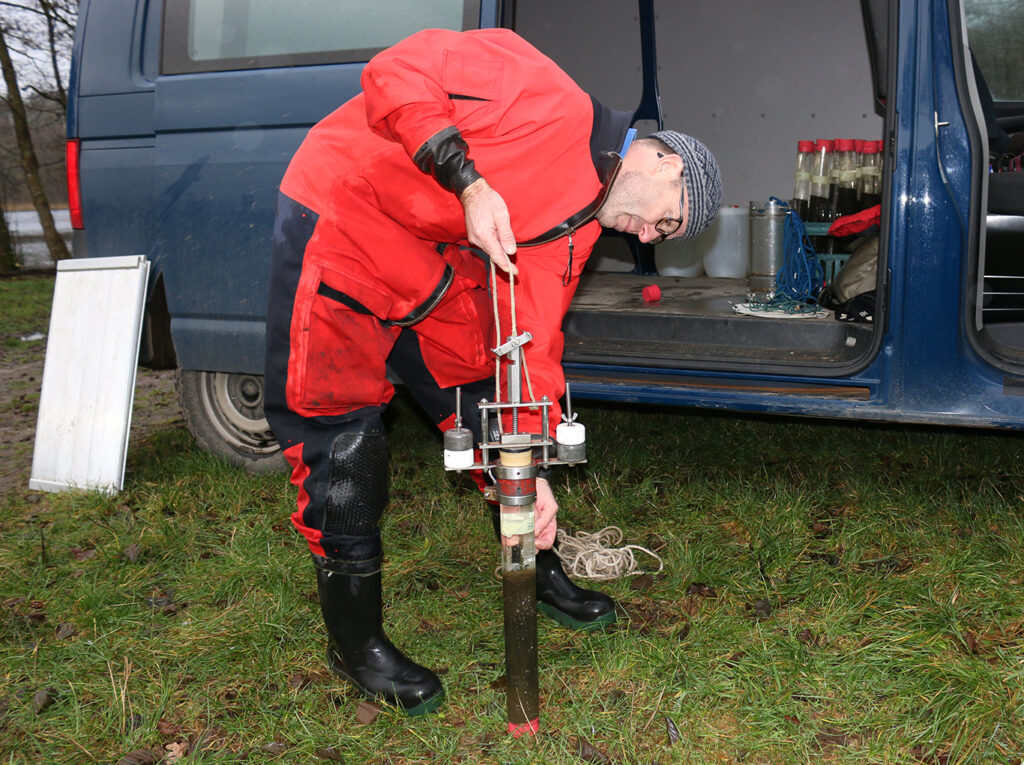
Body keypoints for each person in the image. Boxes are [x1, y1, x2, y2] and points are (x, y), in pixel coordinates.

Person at [264, 27, 721, 716]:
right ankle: (355, 641)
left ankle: (533, 565)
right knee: (346, 443)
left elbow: (529, 344)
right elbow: (396, 71)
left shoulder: (580, 228)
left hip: (421, 252)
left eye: (662, 237)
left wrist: (529, 473)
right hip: (343, 213)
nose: (649, 237)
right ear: (666, 162)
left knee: (487, 396)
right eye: (668, 222)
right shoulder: (542, 92)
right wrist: (467, 180)